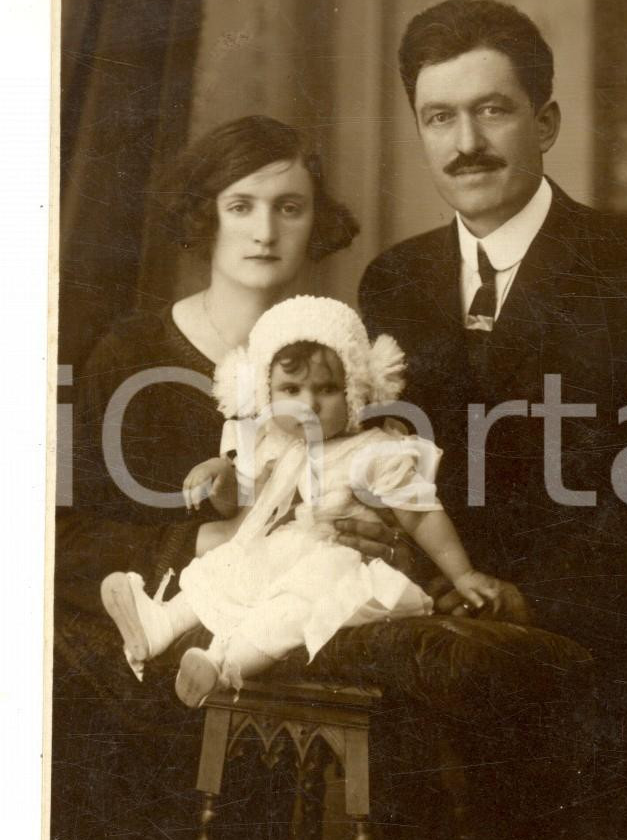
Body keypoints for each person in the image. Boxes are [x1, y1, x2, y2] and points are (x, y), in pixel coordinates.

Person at [359, 0, 627, 840]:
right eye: (438, 118)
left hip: (595, 677)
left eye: (492, 111)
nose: (464, 145)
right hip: (429, 663)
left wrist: (527, 598)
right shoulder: (392, 283)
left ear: (545, 121)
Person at [50, 116, 369, 840]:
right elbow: (57, 537)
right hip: (128, 670)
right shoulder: (131, 352)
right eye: (242, 204)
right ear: (206, 216)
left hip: (274, 665)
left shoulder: (334, 361)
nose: (266, 230)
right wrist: (195, 546)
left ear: (318, 220)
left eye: (291, 207)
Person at [100, 296, 526, 707]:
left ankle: (224, 662)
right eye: (291, 389)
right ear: (265, 393)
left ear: (356, 391)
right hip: (276, 551)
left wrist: (463, 573)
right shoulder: (270, 444)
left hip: (336, 565)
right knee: (221, 569)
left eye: (326, 389)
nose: (308, 404)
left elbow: (420, 517)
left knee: (291, 610)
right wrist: (220, 478)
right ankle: (161, 624)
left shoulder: (374, 451)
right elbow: (238, 508)